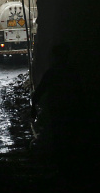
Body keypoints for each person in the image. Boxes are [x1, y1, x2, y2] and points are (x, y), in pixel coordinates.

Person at [31, 43, 84, 175]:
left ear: (55, 57)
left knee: (58, 135)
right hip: (71, 110)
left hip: (57, 109)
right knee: (71, 136)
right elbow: (80, 92)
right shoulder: (73, 73)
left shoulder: (52, 73)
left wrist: (33, 108)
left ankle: (60, 165)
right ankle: (71, 165)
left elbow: (39, 92)